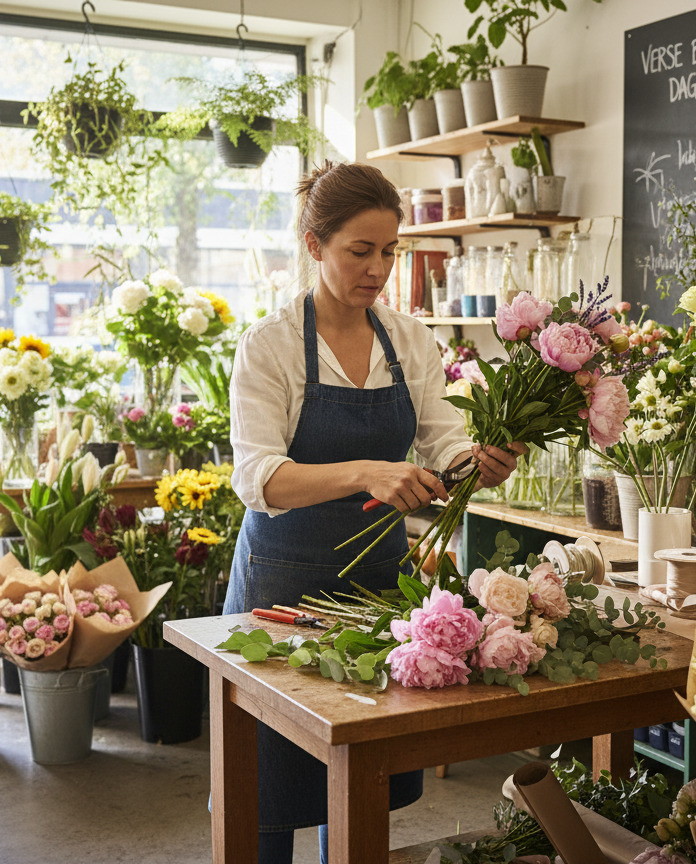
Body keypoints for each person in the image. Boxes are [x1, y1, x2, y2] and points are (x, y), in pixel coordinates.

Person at [226, 160, 523, 864]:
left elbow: (443, 445)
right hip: (281, 589)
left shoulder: (408, 340)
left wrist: (477, 463)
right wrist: (366, 471)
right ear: (314, 245)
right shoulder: (271, 344)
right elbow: (258, 478)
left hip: (377, 590)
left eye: (390, 251)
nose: (378, 269)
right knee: (266, 794)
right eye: (360, 251)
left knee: (356, 780)